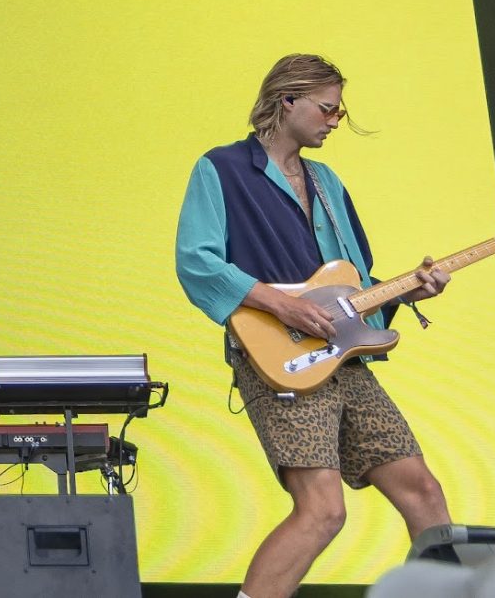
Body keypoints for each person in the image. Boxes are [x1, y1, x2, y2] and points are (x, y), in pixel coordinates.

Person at [174, 53, 452, 598]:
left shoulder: (327, 181)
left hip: (344, 356)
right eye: (327, 109)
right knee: (322, 510)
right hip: (282, 360)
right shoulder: (221, 168)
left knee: (422, 490)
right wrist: (282, 305)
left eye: (339, 111)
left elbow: (353, 284)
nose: (335, 121)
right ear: (287, 101)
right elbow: (197, 261)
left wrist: (407, 290)